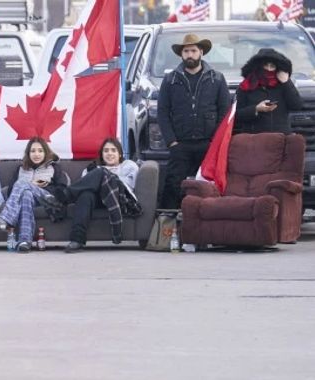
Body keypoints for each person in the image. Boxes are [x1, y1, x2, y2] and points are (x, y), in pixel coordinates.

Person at [157, 33, 231, 210]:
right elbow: (162, 112)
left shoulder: (217, 78)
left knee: (208, 187)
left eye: (193, 51)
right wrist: (172, 142)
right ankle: (167, 227)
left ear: (201, 52)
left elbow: (225, 112)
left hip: (207, 145)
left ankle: (208, 226)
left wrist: (215, 141)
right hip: (180, 144)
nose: (190, 54)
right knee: (173, 186)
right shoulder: (170, 80)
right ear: (181, 54)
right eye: (186, 51)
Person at [0, 137, 68, 253]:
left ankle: (5, 219)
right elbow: (11, 192)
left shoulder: (54, 168)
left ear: (45, 152)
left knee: (22, 184)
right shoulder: (20, 169)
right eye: (33, 151)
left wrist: (40, 186)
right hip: (30, 199)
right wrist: (28, 186)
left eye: (40, 151)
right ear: (28, 153)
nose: (36, 154)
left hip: (48, 199)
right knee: (26, 195)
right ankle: (25, 241)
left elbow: (62, 190)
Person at [58, 138, 140, 253]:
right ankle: (77, 239)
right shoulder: (92, 169)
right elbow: (84, 187)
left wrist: (106, 176)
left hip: (120, 199)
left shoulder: (128, 165)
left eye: (113, 150)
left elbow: (130, 186)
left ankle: (65, 196)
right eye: (106, 151)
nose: (109, 153)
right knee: (86, 195)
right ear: (102, 154)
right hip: (100, 200)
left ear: (120, 153)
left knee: (102, 173)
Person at [234, 48, 302, 134]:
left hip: (281, 137)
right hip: (254, 139)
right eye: (266, 65)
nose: (269, 69)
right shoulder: (246, 86)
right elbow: (236, 115)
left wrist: (286, 82)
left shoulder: (283, 85)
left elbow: (296, 105)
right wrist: (256, 109)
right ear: (259, 66)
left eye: (272, 66)